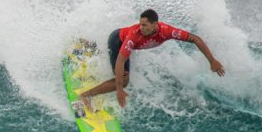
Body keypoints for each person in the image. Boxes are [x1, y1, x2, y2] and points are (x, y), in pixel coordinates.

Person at [80, 9, 225, 109]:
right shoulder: (134, 35)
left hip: (124, 42)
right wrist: (118, 89)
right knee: (124, 81)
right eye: (140, 24)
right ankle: (85, 96)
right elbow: (120, 61)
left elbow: (195, 39)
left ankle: (88, 47)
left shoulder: (167, 31)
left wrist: (212, 60)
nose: (141, 27)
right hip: (117, 40)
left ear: (155, 24)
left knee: (116, 64)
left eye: (145, 25)